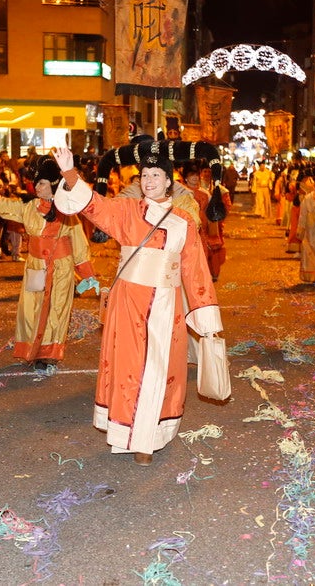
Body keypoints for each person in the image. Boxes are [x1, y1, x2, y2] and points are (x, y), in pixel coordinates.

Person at [51, 144, 222, 466]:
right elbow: (92, 205)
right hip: (127, 303)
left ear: (169, 181)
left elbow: (195, 268)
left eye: (156, 175)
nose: (149, 180)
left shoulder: (184, 221)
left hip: (165, 306)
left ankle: (148, 437)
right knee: (130, 368)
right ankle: (130, 434)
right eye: (144, 175)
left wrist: (206, 317)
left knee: (160, 368)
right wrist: (70, 173)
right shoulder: (126, 210)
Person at [0, 156, 98, 370]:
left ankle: (48, 354)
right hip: (36, 267)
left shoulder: (68, 214)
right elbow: (5, 206)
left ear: (53, 186)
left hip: (61, 269)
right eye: (36, 182)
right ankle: (32, 350)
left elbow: (79, 244)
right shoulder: (29, 208)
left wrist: (87, 274)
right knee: (31, 309)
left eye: (42, 183)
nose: (37, 186)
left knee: (57, 309)